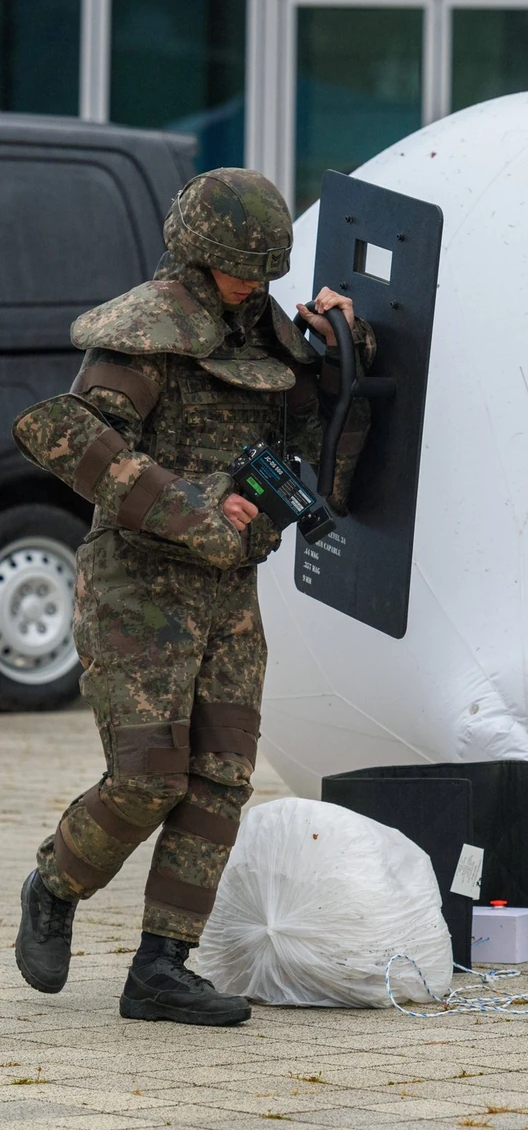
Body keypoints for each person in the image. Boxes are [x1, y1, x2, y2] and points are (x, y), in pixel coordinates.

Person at [12, 167, 374, 1026]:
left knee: (219, 779)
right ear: (201, 253)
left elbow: (327, 458)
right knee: (146, 779)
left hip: (228, 590)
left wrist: (345, 358)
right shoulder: (146, 331)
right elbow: (69, 439)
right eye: (240, 268)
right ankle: (54, 883)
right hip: (140, 586)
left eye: (264, 270)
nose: (253, 284)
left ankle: (161, 969)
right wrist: (195, 500)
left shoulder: (272, 336)